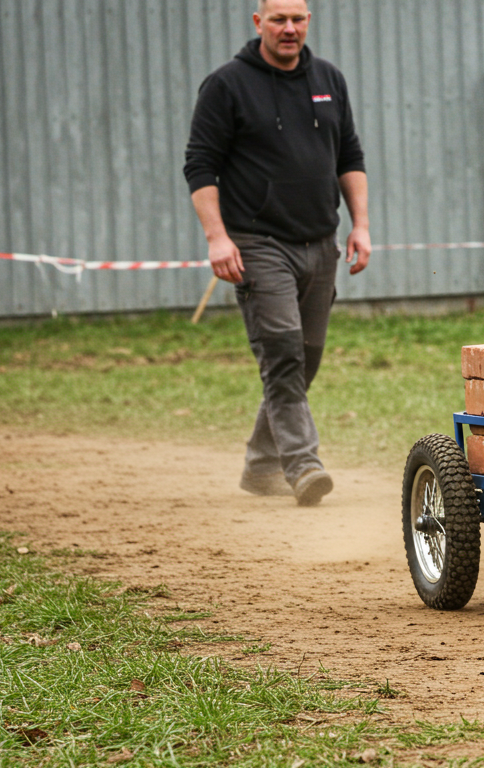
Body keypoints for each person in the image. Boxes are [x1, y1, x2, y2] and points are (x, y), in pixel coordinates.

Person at [183, 0, 369, 506]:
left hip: (320, 244)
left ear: (309, 20)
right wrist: (217, 237)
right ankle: (303, 464)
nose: (289, 29)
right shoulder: (227, 85)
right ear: (258, 22)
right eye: (278, 19)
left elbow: (349, 155)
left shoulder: (328, 77)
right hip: (258, 245)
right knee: (283, 357)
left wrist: (361, 226)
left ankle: (261, 463)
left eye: (298, 19)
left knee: (303, 363)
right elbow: (200, 165)